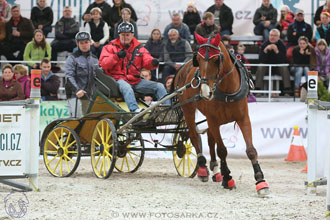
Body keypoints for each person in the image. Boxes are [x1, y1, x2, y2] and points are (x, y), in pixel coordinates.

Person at [99, 22, 169, 112]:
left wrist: (153, 62)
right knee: (127, 88)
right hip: (118, 80)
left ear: (132, 35)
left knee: (160, 86)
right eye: (123, 35)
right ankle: (135, 111)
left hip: (136, 81)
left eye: (127, 35)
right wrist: (116, 56)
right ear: (119, 35)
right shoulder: (110, 47)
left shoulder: (139, 48)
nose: (125, 37)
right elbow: (103, 64)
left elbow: (147, 59)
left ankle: (167, 111)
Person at [65, 31, 98, 117]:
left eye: (86, 42)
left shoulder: (95, 59)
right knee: (76, 121)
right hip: (75, 96)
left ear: (90, 42)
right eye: (81, 43)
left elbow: (98, 78)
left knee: (89, 122)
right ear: (77, 44)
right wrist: (77, 90)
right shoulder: (72, 58)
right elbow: (68, 77)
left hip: (90, 97)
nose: (84, 45)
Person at [255, 29, 291, 96]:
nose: (272, 37)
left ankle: (287, 90)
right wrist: (265, 51)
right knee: (260, 66)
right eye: (271, 35)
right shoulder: (264, 44)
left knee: (284, 67)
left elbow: (283, 60)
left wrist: (277, 51)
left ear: (278, 37)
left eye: (275, 36)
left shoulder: (282, 45)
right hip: (267, 67)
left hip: (278, 68)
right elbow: (261, 60)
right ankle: (258, 90)